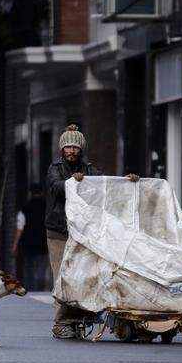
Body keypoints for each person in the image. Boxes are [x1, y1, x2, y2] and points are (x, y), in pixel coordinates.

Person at [46, 124, 139, 339]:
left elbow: (106, 185)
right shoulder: (55, 169)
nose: (71, 151)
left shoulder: (89, 170)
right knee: (63, 278)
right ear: (62, 149)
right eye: (67, 147)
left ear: (81, 150)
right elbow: (56, 188)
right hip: (59, 233)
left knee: (83, 275)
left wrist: (127, 181)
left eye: (75, 147)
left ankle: (79, 317)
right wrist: (73, 181)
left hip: (84, 233)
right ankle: (61, 323)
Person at [11, 184, 47, 291]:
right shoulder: (47, 207)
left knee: (29, 267)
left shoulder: (24, 209)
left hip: (28, 244)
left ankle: (30, 289)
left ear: (30, 193)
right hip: (43, 243)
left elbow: (19, 229)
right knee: (42, 266)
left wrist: (15, 245)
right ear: (42, 193)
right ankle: (40, 287)